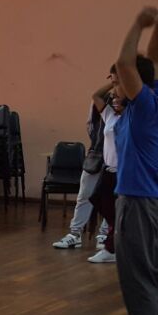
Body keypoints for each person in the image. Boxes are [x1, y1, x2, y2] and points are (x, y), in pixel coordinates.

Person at [100, 0, 158, 315]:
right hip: (156, 202)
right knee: (157, 271)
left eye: (117, 81)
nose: (114, 84)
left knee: (138, 276)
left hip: (137, 202)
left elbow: (126, 63)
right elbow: (155, 59)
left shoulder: (145, 105)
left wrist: (138, 22)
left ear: (134, 85)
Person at [52, 89, 111, 251]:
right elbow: (91, 126)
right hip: (96, 154)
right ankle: (75, 234)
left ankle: (105, 234)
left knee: (109, 198)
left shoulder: (127, 107)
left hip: (115, 159)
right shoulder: (102, 104)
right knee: (84, 195)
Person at [87, 77, 126, 264]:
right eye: (113, 98)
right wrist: (115, 82)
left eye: (119, 99)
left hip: (123, 172)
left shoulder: (131, 118)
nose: (115, 101)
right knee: (99, 201)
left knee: (118, 212)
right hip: (108, 170)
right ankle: (113, 244)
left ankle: (112, 248)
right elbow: (96, 96)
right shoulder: (109, 115)